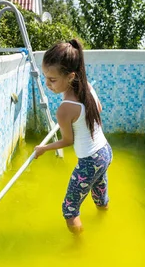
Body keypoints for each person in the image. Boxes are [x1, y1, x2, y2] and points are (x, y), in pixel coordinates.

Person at [34, 39, 113, 234]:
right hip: (104, 153)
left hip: (89, 162)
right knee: (100, 197)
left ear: (70, 77)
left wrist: (43, 149)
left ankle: (80, 249)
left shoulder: (65, 109)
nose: (47, 84)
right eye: (45, 77)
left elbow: (68, 141)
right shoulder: (86, 87)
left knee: (69, 211)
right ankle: (105, 223)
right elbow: (99, 109)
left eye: (52, 80)